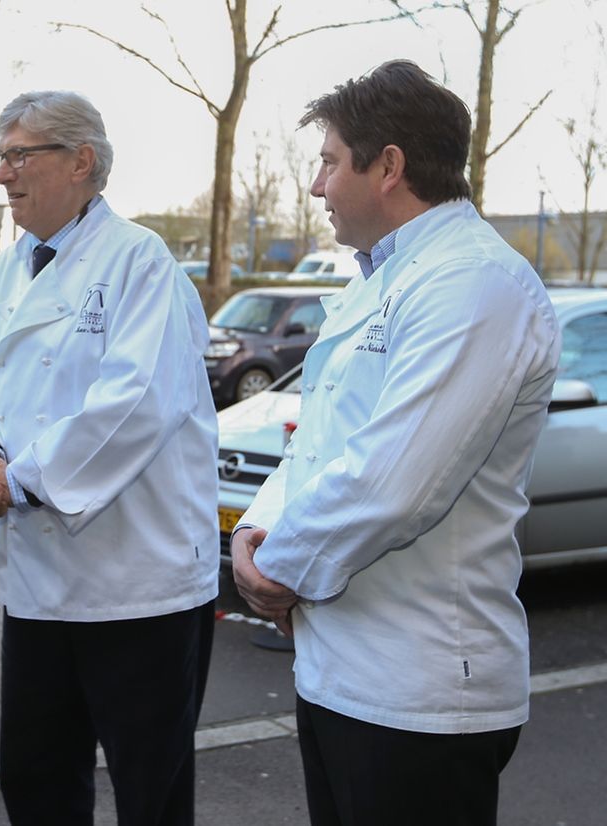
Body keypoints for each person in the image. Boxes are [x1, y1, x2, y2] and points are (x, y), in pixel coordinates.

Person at [231, 60, 561, 826]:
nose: (316, 186)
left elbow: (395, 482)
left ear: (388, 167)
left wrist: (271, 570)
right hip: (344, 676)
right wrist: (255, 527)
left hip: (420, 697)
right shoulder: (387, 279)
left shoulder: (476, 284)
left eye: (327, 161)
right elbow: (319, 440)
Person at [0, 90, 220, 826]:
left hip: (138, 586)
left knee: (149, 793)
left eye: (19, 155)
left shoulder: (140, 261)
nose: (2, 174)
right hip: (40, 584)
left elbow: (137, 402)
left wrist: (20, 479)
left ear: (81, 162)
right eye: (0, 157)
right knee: (36, 781)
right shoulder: (8, 270)